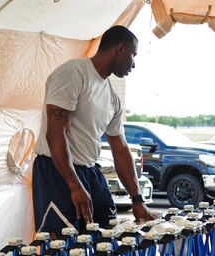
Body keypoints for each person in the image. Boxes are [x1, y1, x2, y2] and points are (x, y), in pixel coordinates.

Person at [32, 25, 157, 236]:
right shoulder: (73, 73)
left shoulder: (112, 97)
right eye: (133, 55)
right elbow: (55, 134)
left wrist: (137, 199)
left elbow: (120, 149)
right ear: (120, 48)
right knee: (61, 247)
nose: (134, 64)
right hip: (56, 170)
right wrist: (74, 186)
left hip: (89, 171)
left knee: (105, 237)